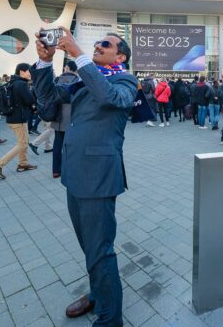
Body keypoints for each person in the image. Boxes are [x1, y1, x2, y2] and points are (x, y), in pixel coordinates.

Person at [31, 29, 136, 325]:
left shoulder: (125, 81)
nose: (97, 46)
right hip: (74, 174)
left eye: (105, 44)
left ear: (120, 56)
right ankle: (98, 293)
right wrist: (45, 63)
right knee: (89, 246)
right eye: (96, 43)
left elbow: (111, 98)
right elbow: (48, 106)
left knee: (100, 250)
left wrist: (79, 54)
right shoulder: (80, 81)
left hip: (98, 178)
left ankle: (110, 319)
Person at [0, 63, 36, 179]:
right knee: (23, 143)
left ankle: (23, 164)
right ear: (22, 71)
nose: (31, 74)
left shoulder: (13, 82)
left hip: (14, 117)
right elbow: (29, 100)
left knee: (23, 141)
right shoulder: (21, 84)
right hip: (19, 118)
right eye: (29, 71)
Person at [49, 60, 78, 178]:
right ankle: (70, 168)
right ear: (76, 69)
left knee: (57, 143)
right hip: (73, 115)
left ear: (67, 68)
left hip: (58, 114)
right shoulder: (78, 80)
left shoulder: (57, 80)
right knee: (73, 144)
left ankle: (56, 170)